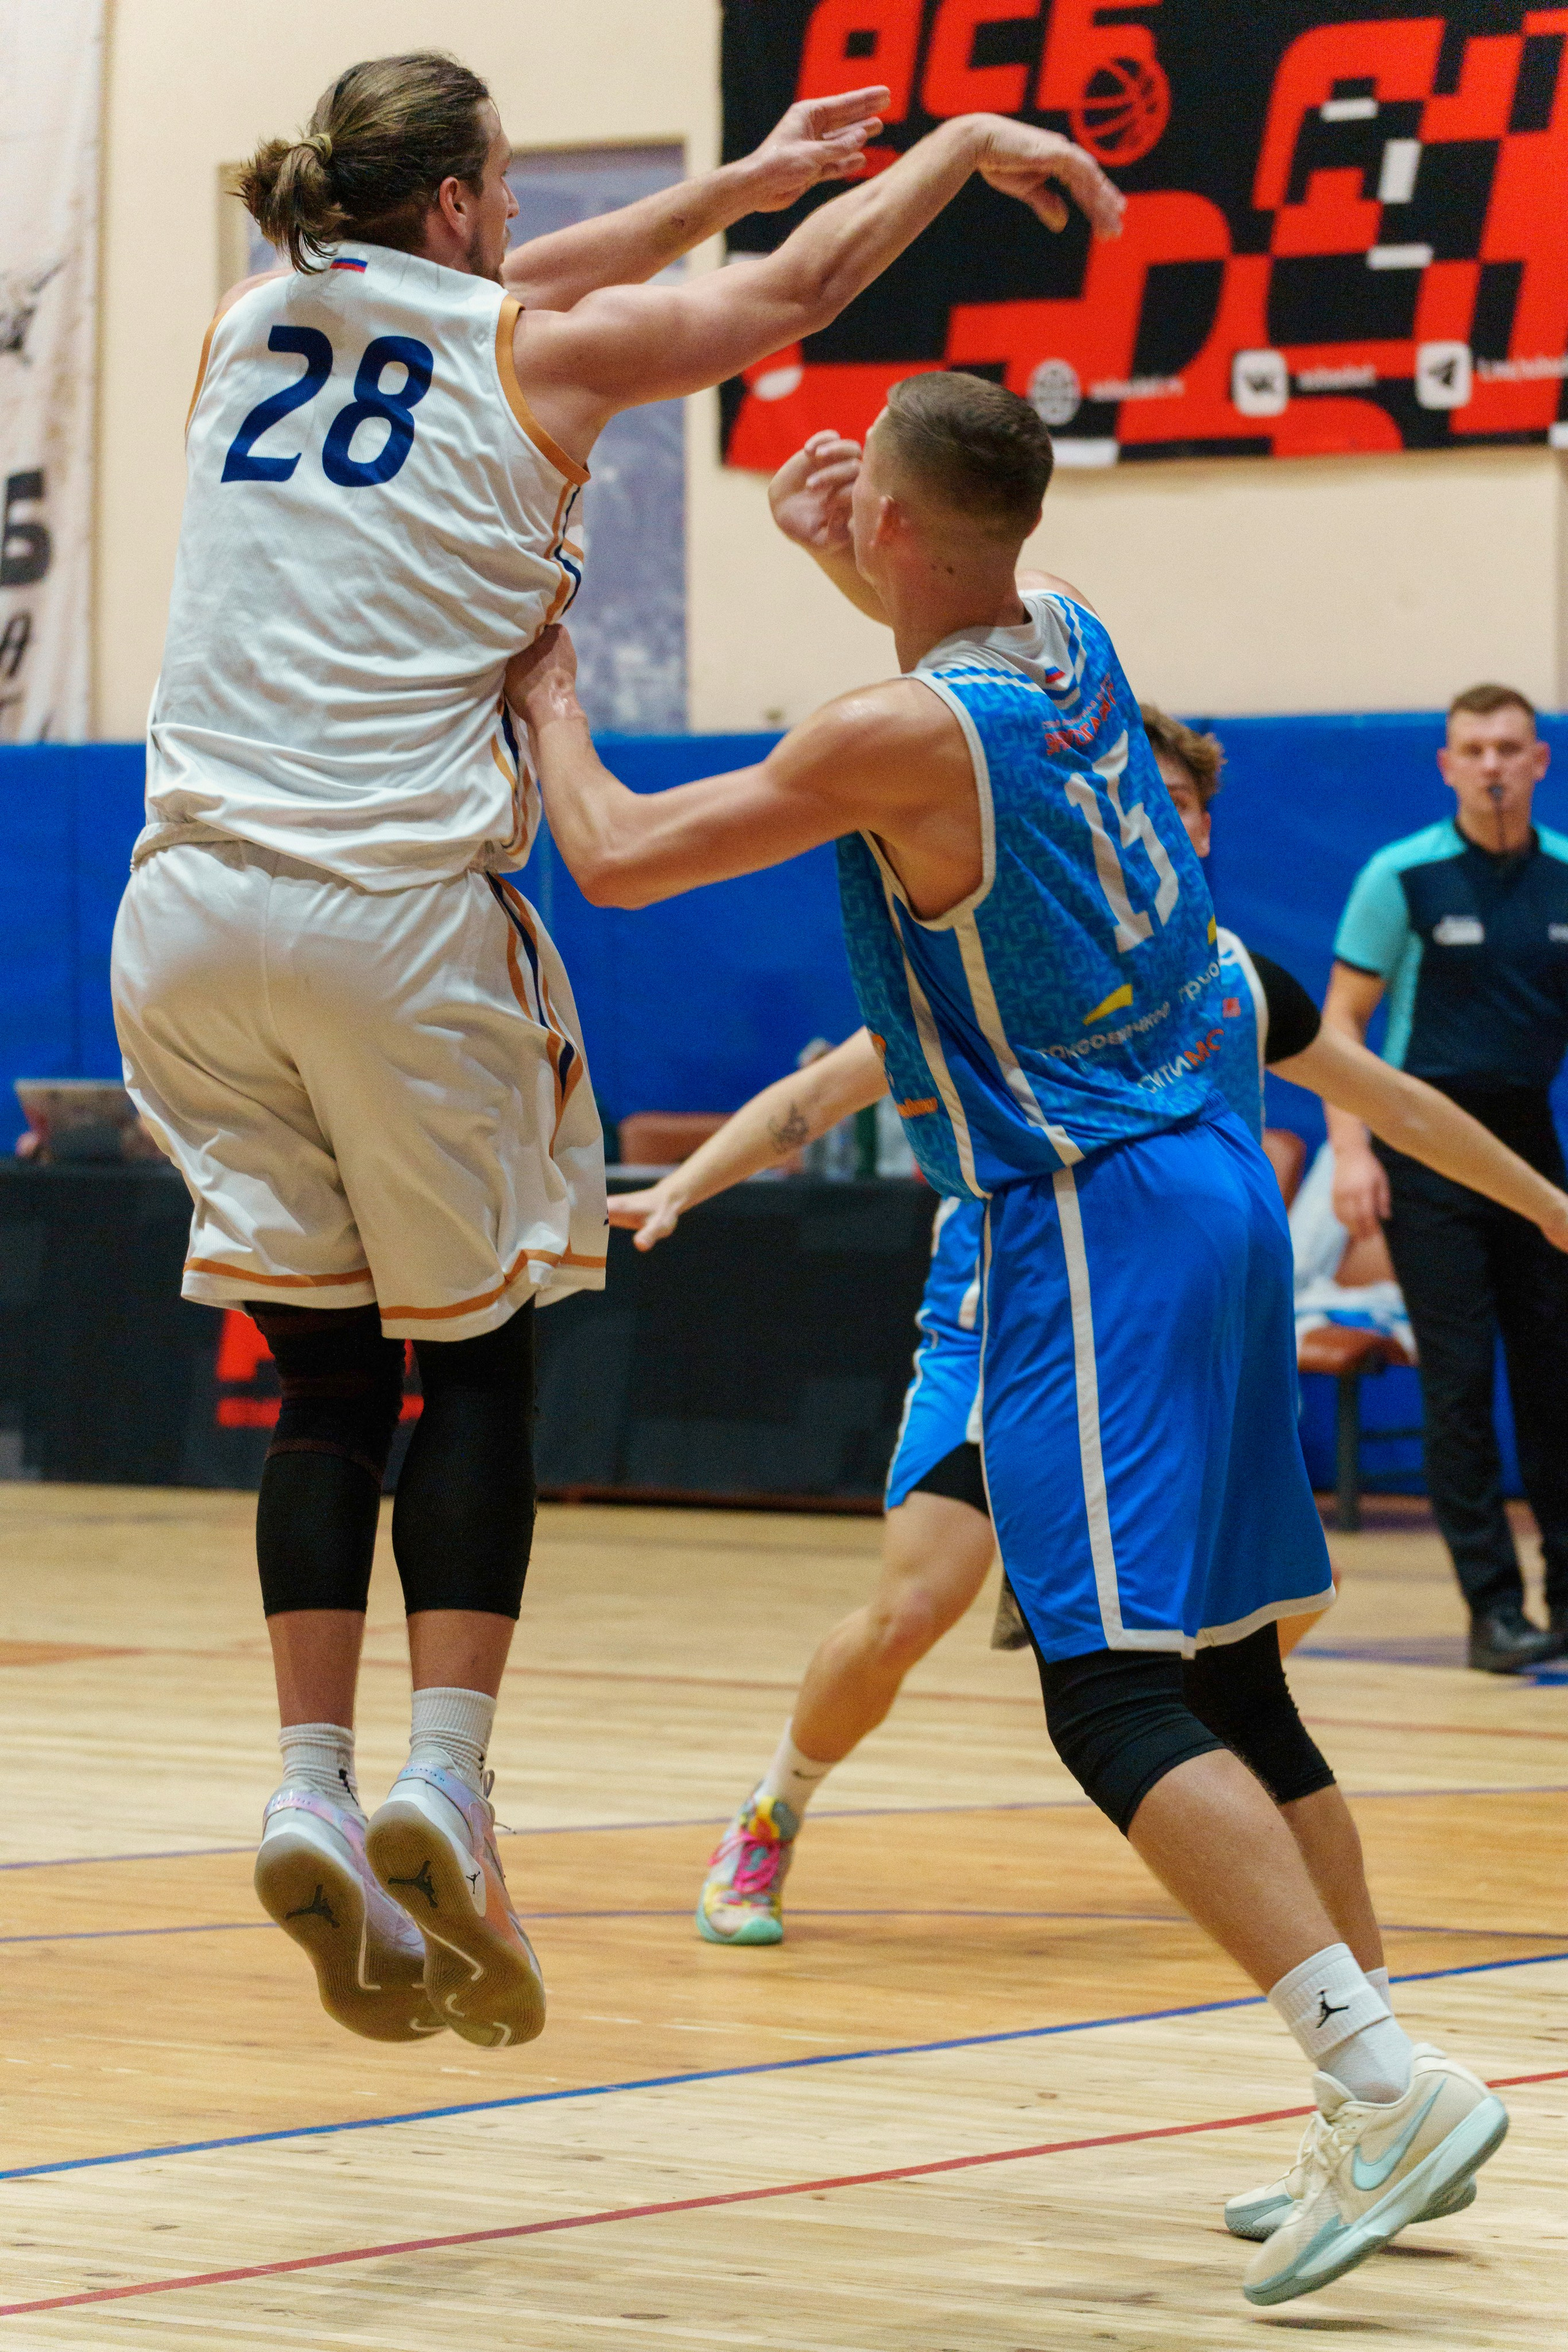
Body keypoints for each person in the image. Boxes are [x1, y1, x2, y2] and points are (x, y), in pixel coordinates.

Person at [110, 50, 1124, 2052]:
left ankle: (306, 1781)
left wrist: (722, 173)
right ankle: (447, 1782)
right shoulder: (535, 363)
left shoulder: (249, 313)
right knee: (475, 1356)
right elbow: (798, 298)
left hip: (175, 917)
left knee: (321, 1370)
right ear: (470, 206)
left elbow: (544, 269)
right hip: (382, 916)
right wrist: (949, 148)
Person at [510, 374, 1509, 2307]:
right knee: (1231, 1681)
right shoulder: (1073, 638)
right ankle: (1370, 2089)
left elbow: (620, 854)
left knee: (1107, 1694)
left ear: (892, 515)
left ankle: (1378, 2080)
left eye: (854, 488)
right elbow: (936, 715)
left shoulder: (895, 722)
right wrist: (858, 565)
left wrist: (552, 680)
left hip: (1085, 1219)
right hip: (1210, 1173)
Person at [608, 682, 1568, 1967]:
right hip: (1001, 1327)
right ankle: (775, 1804)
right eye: (1138, 805)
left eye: (1175, 810)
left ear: (1196, 840)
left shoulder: (1226, 981)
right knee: (910, 1612)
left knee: (1263, 1636)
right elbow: (818, 1094)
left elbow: (1400, 1106)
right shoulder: (1004, 968)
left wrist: (1549, 1208)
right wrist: (683, 1182)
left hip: (1164, 1353)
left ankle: (1293, 1917)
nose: (1151, 827)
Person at [1324, 686, 1568, 1673]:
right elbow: (1338, 1029)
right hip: (1427, 1151)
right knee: (1461, 1383)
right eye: (1474, 749)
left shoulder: (1563, 879)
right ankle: (1493, 1610)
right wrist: (1349, 1152)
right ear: (1446, 765)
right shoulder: (1404, 876)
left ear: (1540, 761)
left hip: (1528, 1153)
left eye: (1510, 747)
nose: (1493, 764)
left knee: (1555, 1381)